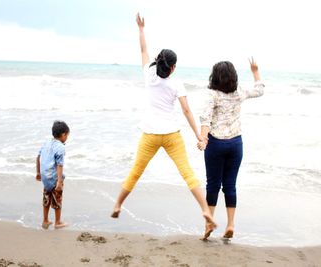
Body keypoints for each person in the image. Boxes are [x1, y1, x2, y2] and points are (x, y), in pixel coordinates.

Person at [111, 13, 217, 235]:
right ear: (173, 67)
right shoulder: (176, 84)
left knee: (135, 172)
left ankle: (118, 204)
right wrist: (199, 135)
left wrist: (141, 29)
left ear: (158, 62)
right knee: (187, 173)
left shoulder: (149, 74)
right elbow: (187, 111)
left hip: (149, 134)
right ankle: (205, 211)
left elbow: (142, 51)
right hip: (171, 135)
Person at [198, 58, 264, 239]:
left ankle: (208, 224)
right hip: (236, 144)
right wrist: (255, 71)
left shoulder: (213, 94)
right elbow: (260, 90)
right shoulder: (239, 92)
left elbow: (206, 118)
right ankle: (231, 224)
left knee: (213, 185)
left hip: (216, 144)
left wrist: (203, 139)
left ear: (215, 77)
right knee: (230, 185)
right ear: (233, 77)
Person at [36, 120, 70, 230]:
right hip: (55, 178)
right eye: (67, 135)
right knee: (57, 199)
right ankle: (58, 222)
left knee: (46, 198)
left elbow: (38, 157)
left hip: (45, 177)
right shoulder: (60, 147)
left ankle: (45, 220)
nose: (67, 138)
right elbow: (59, 165)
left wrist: (38, 173)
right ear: (64, 134)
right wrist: (59, 182)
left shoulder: (46, 144)